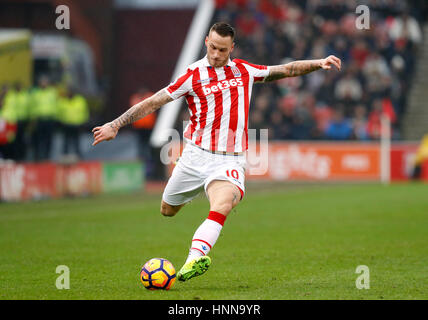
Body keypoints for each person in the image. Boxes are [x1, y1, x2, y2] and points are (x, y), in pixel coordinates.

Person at [92, 22, 341, 282]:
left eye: (223, 50)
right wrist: (115, 124)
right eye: (213, 48)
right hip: (194, 156)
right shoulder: (192, 75)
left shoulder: (244, 70)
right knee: (167, 210)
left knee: (223, 204)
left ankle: (194, 258)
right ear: (206, 42)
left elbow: (285, 70)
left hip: (229, 159)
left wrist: (318, 62)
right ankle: (193, 187)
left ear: (232, 48)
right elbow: (154, 101)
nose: (217, 54)